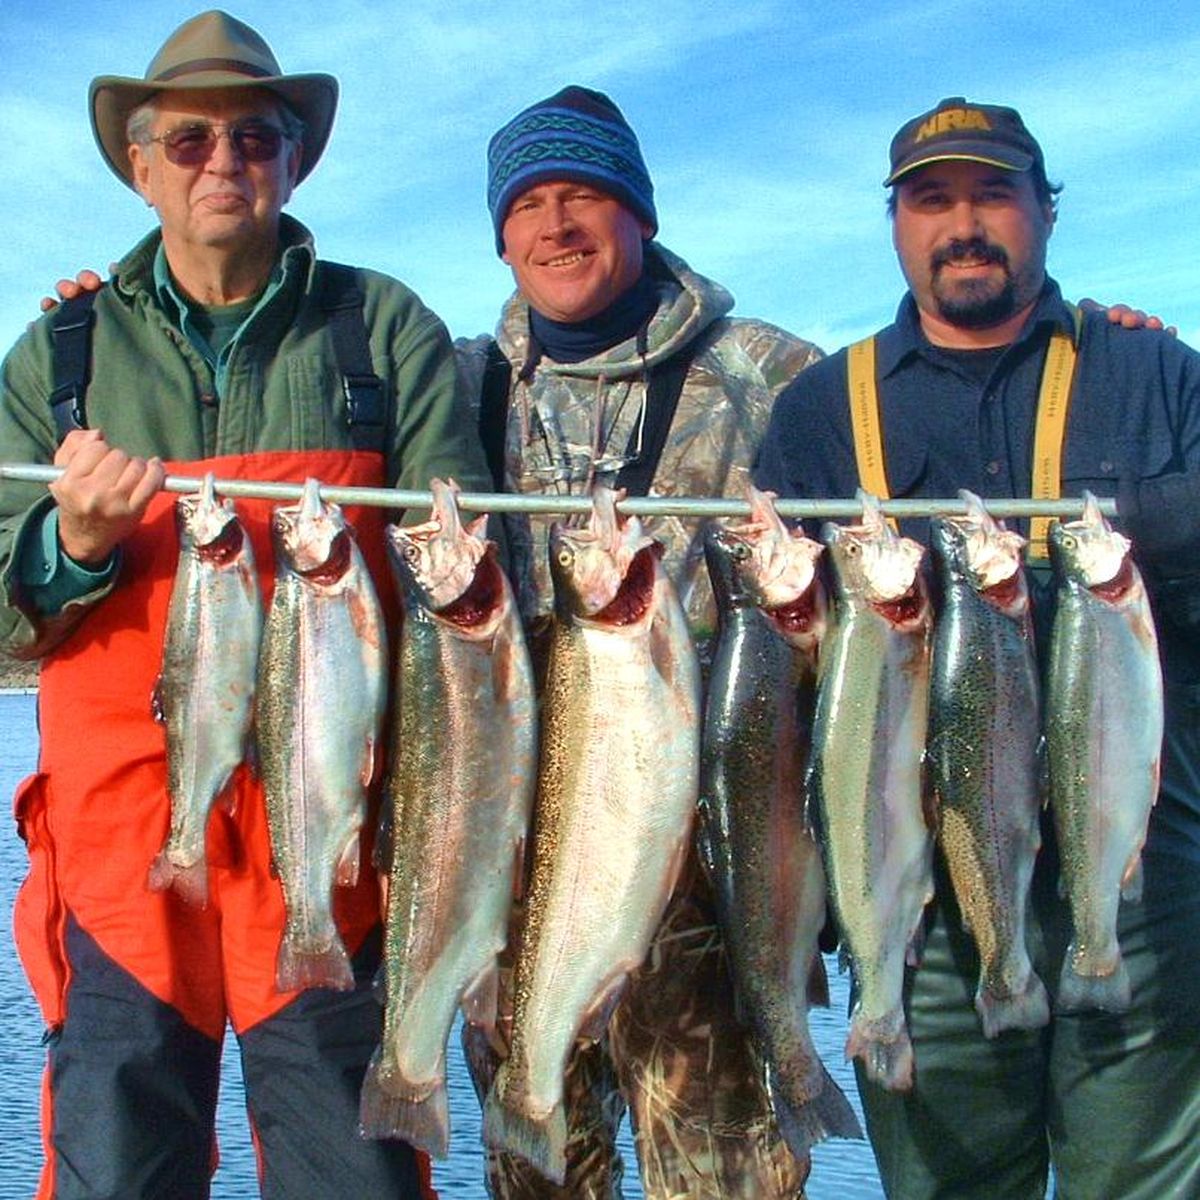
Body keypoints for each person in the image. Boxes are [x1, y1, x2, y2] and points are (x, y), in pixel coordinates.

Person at [0, 11, 493, 1199]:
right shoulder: (56, 354)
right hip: (125, 832)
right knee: (118, 1164)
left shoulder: (381, 329)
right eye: (188, 139)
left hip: (331, 829)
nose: (223, 159)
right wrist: (72, 542)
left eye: (255, 136)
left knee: (356, 1170)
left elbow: (460, 566)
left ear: (295, 158)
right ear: (140, 164)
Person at [754, 95, 1200, 1200]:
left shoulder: (1160, 373)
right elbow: (781, 662)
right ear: (896, 224)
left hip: (1139, 879)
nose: (964, 224)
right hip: (923, 901)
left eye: (993, 195)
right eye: (932, 200)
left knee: (1138, 1182)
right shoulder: (819, 410)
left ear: (1045, 212)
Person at [454, 86, 824, 1200]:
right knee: (537, 1176)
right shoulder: (464, 386)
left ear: (642, 214)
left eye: (586, 196)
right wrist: (94, 318)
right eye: (530, 203)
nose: (558, 226)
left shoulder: (777, 372)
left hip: (718, 871)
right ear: (502, 235)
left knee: (727, 1181)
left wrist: (1093, 340)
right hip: (520, 873)